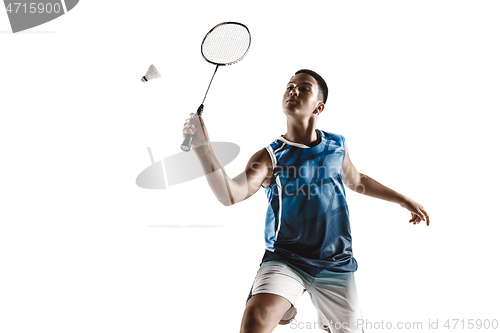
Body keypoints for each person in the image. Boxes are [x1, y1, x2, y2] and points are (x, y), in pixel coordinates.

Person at [182, 69, 430, 333]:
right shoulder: (269, 157)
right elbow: (230, 195)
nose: (293, 91)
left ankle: (313, 310)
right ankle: (285, 301)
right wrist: (203, 149)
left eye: (303, 88)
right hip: (286, 259)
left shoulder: (337, 145)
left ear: (318, 107)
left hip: (336, 264)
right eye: (289, 86)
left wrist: (403, 199)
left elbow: (357, 179)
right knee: (255, 318)